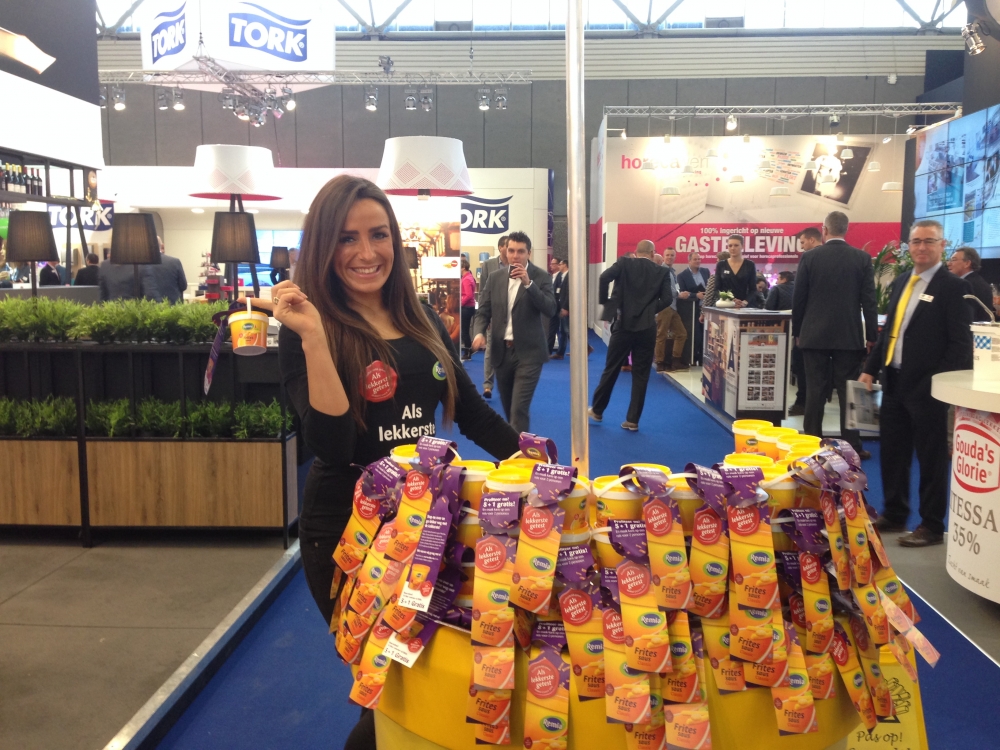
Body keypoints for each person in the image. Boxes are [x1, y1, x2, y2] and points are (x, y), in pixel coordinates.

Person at [269, 176, 519, 748]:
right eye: (347, 238)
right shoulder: (307, 327)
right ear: (323, 246)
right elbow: (332, 445)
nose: (366, 252)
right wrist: (314, 338)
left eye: (378, 234)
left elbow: (473, 414)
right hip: (347, 531)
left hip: (427, 525)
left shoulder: (420, 317)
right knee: (390, 681)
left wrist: (539, 463)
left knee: (422, 675)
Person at [860, 219, 972, 547]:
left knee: (930, 458)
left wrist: (937, 384)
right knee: (893, 453)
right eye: (916, 241)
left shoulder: (952, 288)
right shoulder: (901, 282)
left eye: (929, 241)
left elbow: (960, 346)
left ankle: (932, 525)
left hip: (928, 388)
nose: (922, 247)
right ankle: (895, 513)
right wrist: (870, 369)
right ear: (909, 246)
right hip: (894, 382)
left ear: (942, 246)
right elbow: (889, 333)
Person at [792, 211, 877, 458]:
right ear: (846, 230)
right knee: (848, 392)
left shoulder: (809, 257)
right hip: (848, 336)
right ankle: (852, 447)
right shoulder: (862, 258)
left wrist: (798, 332)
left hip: (814, 335)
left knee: (815, 390)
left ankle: (811, 444)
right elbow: (869, 301)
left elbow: (799, 298)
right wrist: (871, 336)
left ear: (824, 230)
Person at [471, 231, 556, 434]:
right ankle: (516, 444)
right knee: (509, 408)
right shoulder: (495, 278)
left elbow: (550, 309)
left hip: (529, 353)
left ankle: (519, 452)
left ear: (529, 253)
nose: (515, 256)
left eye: (520, 251)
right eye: (511, 251)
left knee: (519, 409)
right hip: (502, 352)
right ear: (505, 251)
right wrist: (478, 333)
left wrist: (529, 284)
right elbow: (483, 310)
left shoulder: (541, 277)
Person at [589, 240, 672, 431]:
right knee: (641, 374)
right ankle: (633, 420)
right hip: (647, 328)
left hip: (623, 325)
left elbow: (604, 277)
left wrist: (607, 302)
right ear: (653, 253)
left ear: (636, 252)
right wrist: (649, 311)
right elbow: (668, 298)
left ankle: (598, 411)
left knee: (611, 368)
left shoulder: (624, 263)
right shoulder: (662, 271)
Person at [477, 235, 509, 399]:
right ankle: (488, 385)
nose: (511, 251)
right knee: (490, 349)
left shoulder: (517, 264)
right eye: (508, 247)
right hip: (494, 315)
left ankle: (508, 384)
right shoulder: (489, 265)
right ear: (500, 247)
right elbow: (483, 292)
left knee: (510, 351)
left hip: (513, 315)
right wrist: (486, 316)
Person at [654, 247, 688, 373]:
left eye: (672, 255)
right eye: (667, 255)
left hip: (673, 307)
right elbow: (665, 289)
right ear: (663, 256)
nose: (669, 257)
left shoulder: (672, 271)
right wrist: (679, 294)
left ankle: (675, 361)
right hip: (664, 307)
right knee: (661, 335)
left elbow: (674, 287)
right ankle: (660, 362)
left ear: (675, 257)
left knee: (681, 333)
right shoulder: (661, 270)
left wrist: (679, 293)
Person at [677, 251, 709, 365]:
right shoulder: (682, 276)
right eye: (695, 259)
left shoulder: (705, 271)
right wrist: (696, 295)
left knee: (705, 334)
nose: (697, 261)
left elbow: (710, 287)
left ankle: (702, 359)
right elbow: (682, 293)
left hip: (705, 308)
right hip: (691, 309)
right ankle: (693, 358)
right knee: (696, 336)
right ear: (689, 261)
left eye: (699, 259)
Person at [948, 246, 995, 321]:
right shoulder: (978, 281)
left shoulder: (966, 285)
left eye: (953, 260)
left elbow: (961, 315)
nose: (949, 263)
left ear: (967, 263)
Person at [713, 236, 761, 308]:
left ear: (742, 246)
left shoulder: (750, 265)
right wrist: (730, 300)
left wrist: (744, 302)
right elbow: (716, 289)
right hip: (725, 306)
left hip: (744, 307)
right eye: (730, 245)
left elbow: (753, 289)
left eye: (736, 245)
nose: (733, 248)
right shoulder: (721, 265)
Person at [143, 236, 188, 304]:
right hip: (174, 306)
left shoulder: (141, 265)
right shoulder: (174, 262)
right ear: (162, 246)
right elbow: (183, 286)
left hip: (150, 307)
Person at [550, 258, 571, 359]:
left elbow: (569, 293)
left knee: (567, 330)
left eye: (560, 264)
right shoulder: (563, 276)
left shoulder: (569, 276)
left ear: (565, 265)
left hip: (566, 308)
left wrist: (565, 307)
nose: (559, 266)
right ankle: (560, 353)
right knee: (564, 331)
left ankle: (585, 348)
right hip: (562, 307)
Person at [548, 257, 567, 357]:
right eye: (551, 264)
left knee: (565, 330)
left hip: (560, 307)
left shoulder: (562, 276)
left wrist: (564, 307)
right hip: (554, 306)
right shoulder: (551, 276)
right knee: (554, 329)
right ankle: (549, 351)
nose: (551, 265)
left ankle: (558, 352)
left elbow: (562, 293)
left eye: (553, 264)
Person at [460, 257, 476, 360]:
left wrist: (460, 304)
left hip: (466, 307)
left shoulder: (466, 279)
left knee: (464, 331)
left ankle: (467, 352)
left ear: (463, 268)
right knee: (465, 331)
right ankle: (468, 351)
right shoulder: (470, 277)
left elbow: (468, 295)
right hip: (469, 307)